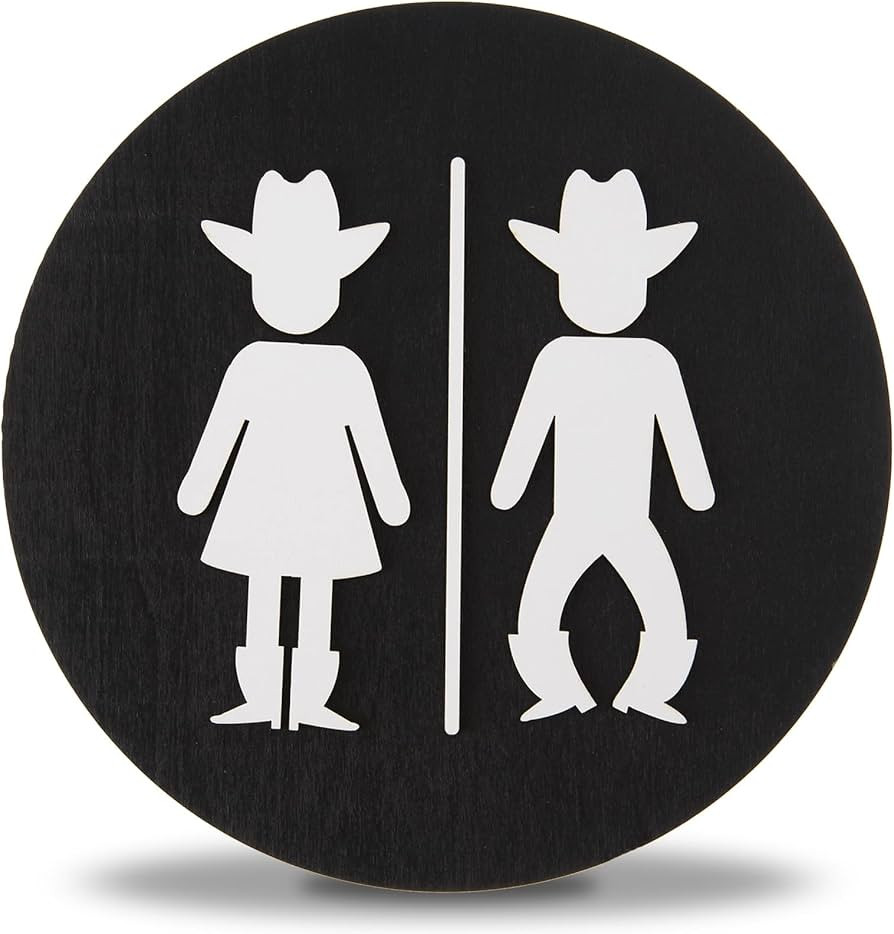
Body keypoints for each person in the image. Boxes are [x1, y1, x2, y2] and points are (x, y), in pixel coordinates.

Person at [178, 169, 410, 731]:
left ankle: (308, 699)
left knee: (311, 596)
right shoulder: (259, 363)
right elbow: (223, 432)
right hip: (271, 498)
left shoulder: (340, 367)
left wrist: (389, 495)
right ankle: (262, 697)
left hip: (321, 502)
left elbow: (370, 439)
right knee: (271, 590)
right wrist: (199, 485)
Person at [492, 168, 714, 725]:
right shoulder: (569, 359)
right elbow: (529, 433)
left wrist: (508, 489)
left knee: (649, 605)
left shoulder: (644, 361)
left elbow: (680, 439)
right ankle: (563, 689)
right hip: (577, 516)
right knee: (550, 604)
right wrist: (509, 484)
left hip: (625, 517)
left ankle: (645, 691)